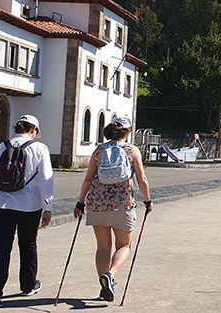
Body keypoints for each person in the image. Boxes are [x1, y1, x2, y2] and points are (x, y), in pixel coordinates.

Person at [74, 114, 152, 302]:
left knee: (102, 248)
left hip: (97, 205)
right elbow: (141, 179)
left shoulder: (99, 150)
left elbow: (88, 178)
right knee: (124, 245)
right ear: (128, 131)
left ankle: (104, 289)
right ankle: (110, 275)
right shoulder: (132, 151)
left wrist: (80, 201)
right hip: (122, 205)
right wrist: (148, 200)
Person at [0, 115, 53, 310]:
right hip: (29, 206)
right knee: (28, 244)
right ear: (34, 130)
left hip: (0, 205)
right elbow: (45, 178)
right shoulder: (39, 148)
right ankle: (28, 285)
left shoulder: (3, 146)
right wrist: (48, 206)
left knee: (0, 248)